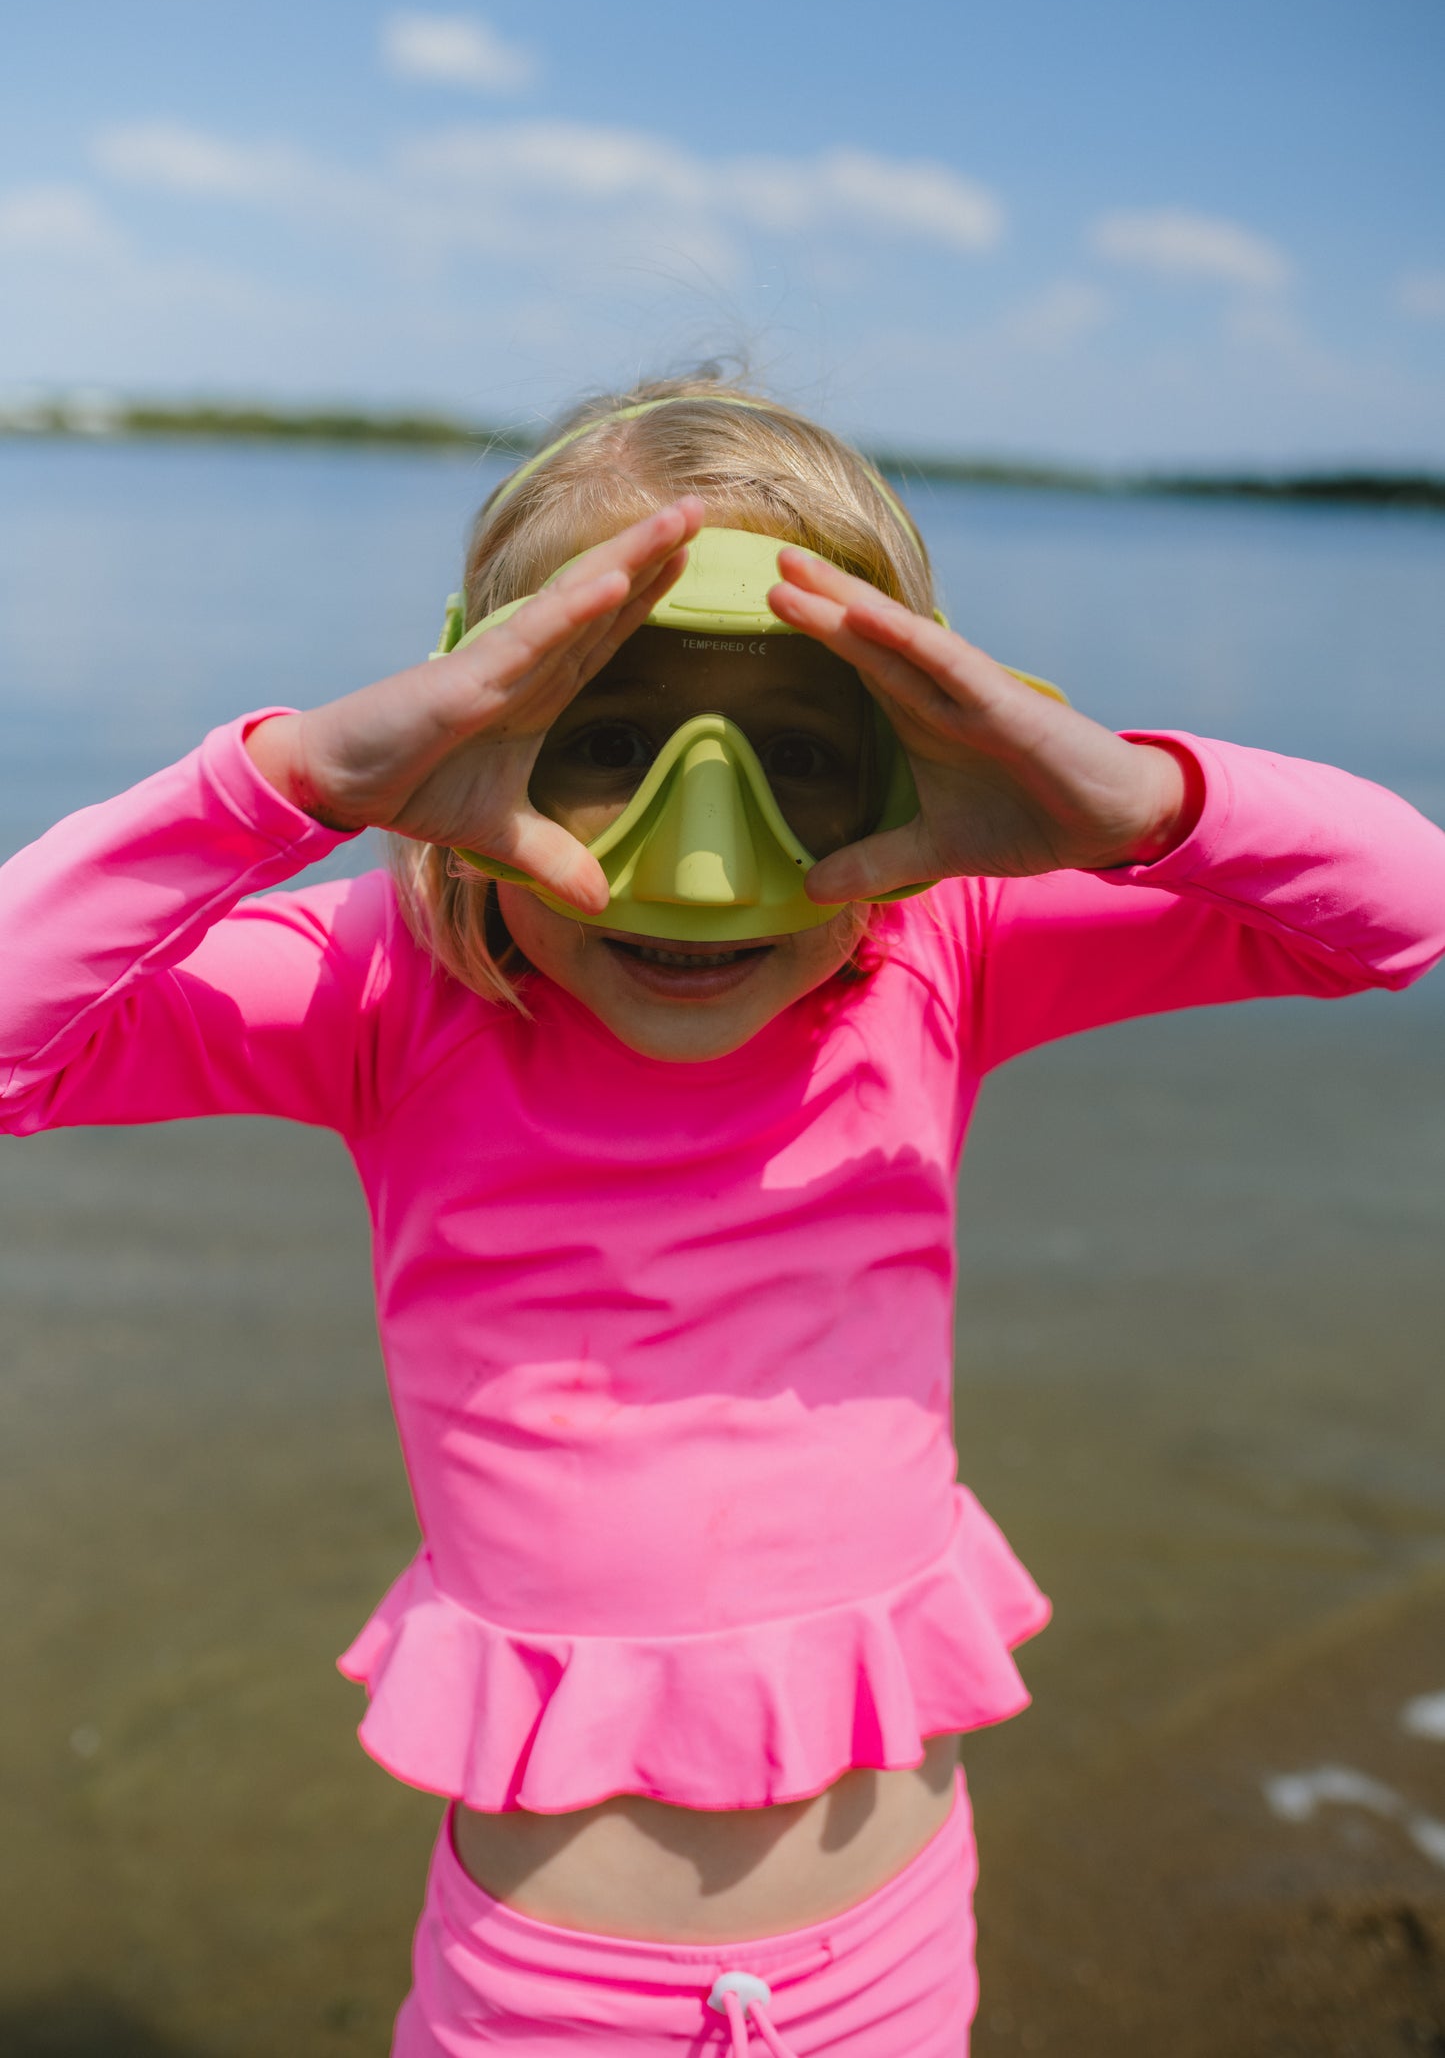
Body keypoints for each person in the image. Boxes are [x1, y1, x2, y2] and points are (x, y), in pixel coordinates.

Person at [3, 375, 1443, 2057]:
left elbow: (1398, 914)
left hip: (892, 1967)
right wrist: (294, 780)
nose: (704, 852)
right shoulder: (387, 987)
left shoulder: (944, 947)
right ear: (472, 715)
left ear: (917, 747)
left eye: (797, 759)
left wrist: (1128, 804)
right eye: (605, 740)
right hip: (543, 2000)